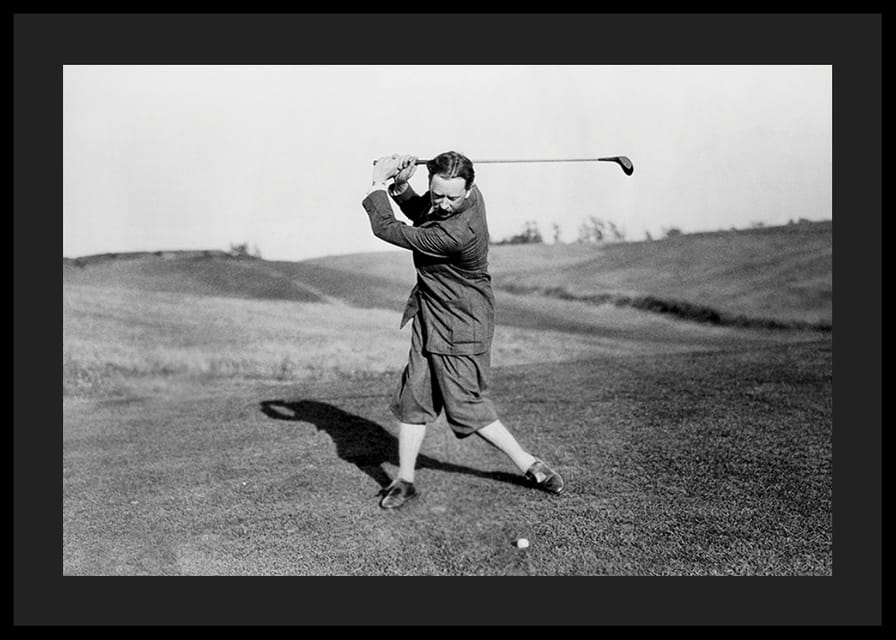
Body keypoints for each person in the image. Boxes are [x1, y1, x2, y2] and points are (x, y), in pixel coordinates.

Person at [361, 150, 566, 509]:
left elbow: (388, 228)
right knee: (414, 399)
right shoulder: (457, 202)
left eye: (450, 197)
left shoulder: (457, 233)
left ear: (470, 189)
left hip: (461, 324)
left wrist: (379, 180)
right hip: (431, 315)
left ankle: (529, 464)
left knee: (465, 406)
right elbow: (426, 212)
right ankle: (405, 480)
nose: (441, 203)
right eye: (436, 193)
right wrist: (402, 184)